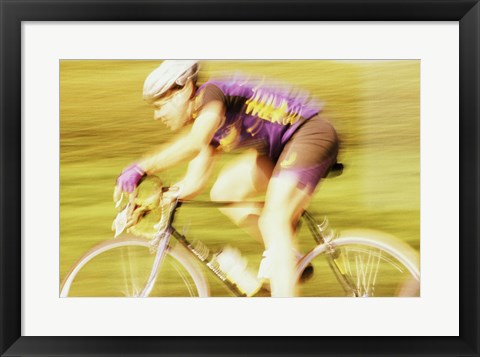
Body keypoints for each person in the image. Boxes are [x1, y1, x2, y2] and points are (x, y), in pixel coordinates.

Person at [114, 60, 339, 297]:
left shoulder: (211, 95)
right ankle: (287, 255)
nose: (156, 115)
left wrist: (142, 167)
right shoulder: (205, 124)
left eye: (160, 106)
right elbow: (192, 185)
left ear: (185, 90)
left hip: (310, 134)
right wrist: (147, 206)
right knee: (224, 191)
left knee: (274, 219)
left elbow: (194, 143)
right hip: (281, 149)